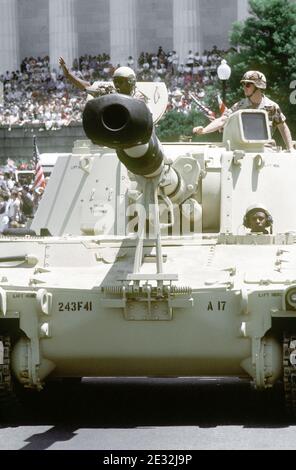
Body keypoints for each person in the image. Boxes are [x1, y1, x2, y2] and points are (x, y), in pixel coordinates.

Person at [193, 70, 294, 151]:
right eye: (243, 84)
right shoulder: (239, 106)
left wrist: (290, 149)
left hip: (265, 150)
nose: (244, 87)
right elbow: (222, 120)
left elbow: (283, 127)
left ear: (258, 87)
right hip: (244, 150)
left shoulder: (272, 107)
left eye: (248, 85)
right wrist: (204, 130)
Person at [59, 57, 146, 100]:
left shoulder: (139, 98)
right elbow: (86, 86)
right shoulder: (109, 94)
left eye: (120, 81)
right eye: (115, 81)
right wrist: (68, 74)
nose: (117, 84)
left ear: (130, 82)